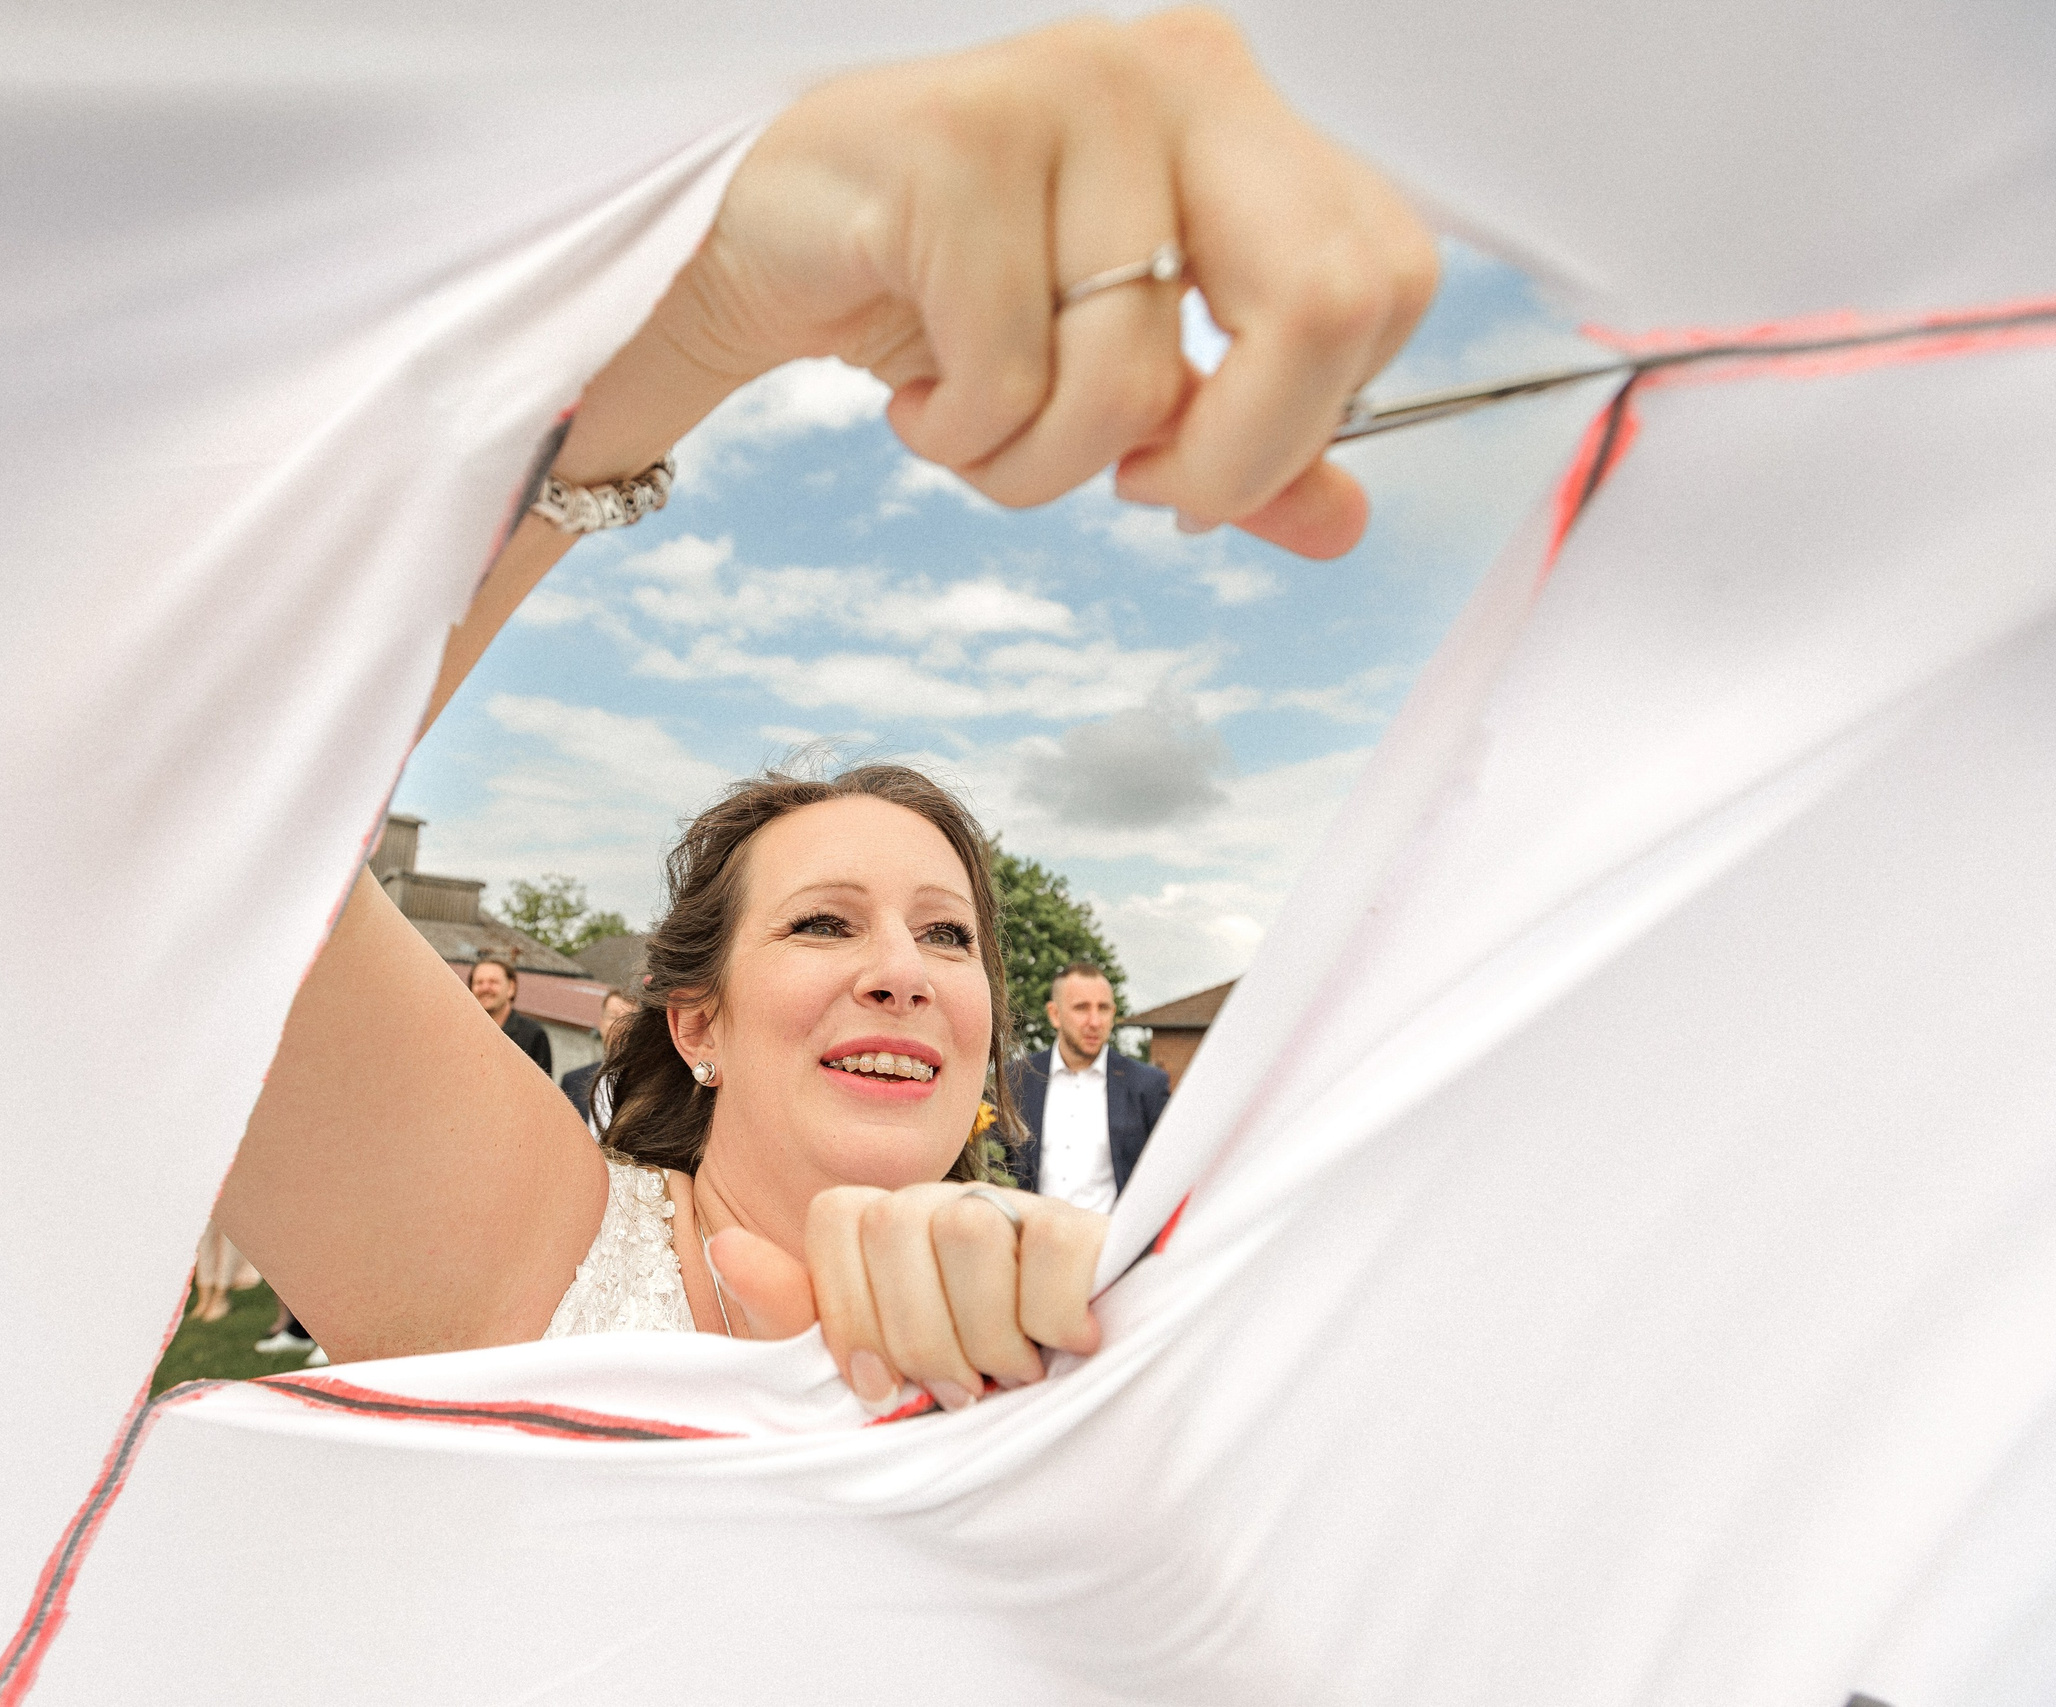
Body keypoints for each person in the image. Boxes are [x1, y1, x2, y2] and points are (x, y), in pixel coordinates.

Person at [216, 8, 1434, 1408]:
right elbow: (190, 809)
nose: (904, 968)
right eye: (820, 920)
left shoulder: (1116, 1331)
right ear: (699, 1025)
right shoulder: (523, 1251)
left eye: (948, 933)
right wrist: (716, 306)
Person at [1006, 964, 1172, 1214]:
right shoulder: (1014, 1080)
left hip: (1109, 1244)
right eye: (1081, 1008)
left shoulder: (1146, 1085)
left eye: (1103, 1008)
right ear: (1054, 1014)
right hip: (1030, 1241)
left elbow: (1166, 1174)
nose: (1095, 1021)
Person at [560, 988, 641, 1135]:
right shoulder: (572, 1081)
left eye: (629, 1018)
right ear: (601, 1023)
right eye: (614, 1017)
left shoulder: (647, 1086)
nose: (620, 1025)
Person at [470, 955, 553, 1077]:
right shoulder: (462, 1031)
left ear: (511, 988)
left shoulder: (533, 1035)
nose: (485, 988)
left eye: (493, 982)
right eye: (479, 982)